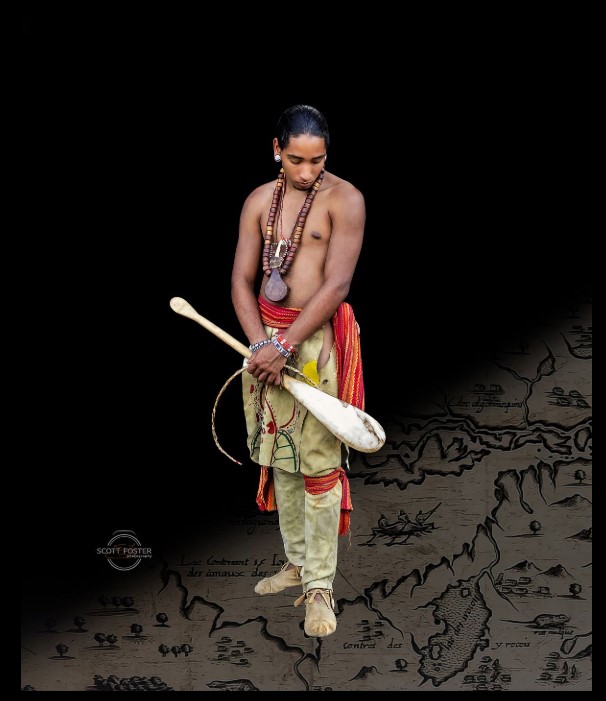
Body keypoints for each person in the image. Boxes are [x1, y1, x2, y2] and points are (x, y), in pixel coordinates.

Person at [231, 104, 366, 638]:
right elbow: (241, 281)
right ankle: (296, 564)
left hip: (311, 350)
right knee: (279, 457)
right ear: (275, 150)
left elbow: (336, 286)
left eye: (318, 160)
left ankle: (320, 587)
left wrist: (284, 344)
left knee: (318, 464)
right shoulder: (259, 201)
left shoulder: (345, 199)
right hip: (264, 350)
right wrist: (259, 342)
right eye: (296, 160)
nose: (308, 172)